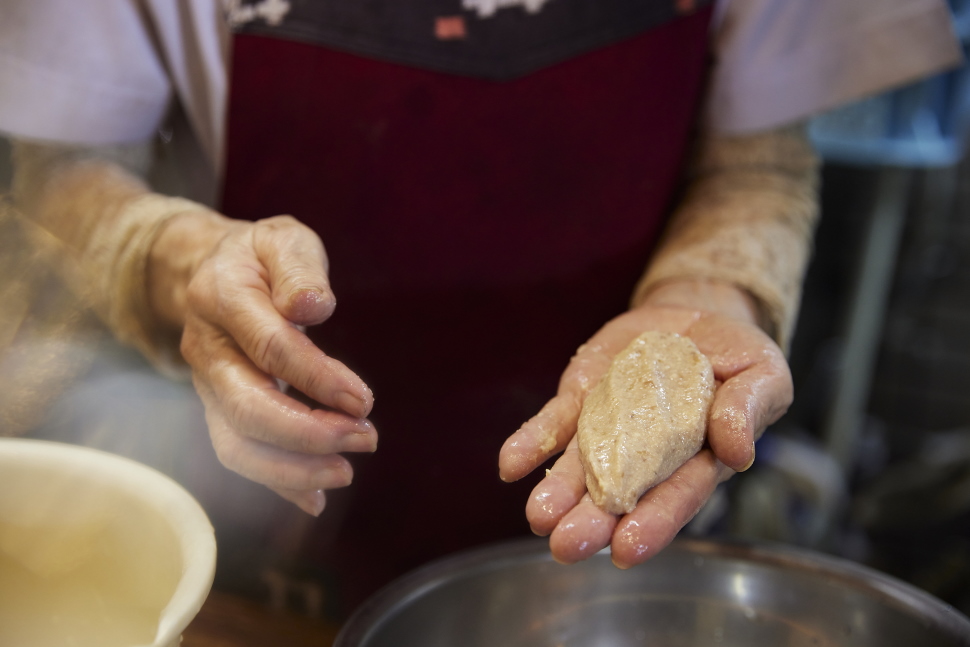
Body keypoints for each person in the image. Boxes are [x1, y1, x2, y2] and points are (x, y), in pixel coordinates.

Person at [0, 0, 961, 614]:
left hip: (622, 574)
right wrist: (177, 262)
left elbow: (756, 154)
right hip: (265, 530)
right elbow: (63, 172)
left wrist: (717, 281)